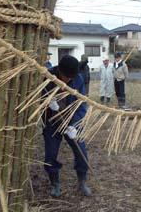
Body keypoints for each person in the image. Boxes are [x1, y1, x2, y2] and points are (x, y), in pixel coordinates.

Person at [42, 55, 91, 197]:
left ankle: (82, 181)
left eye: (71, 78)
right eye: (66, 77)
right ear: (59, 71)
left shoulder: (78, 79)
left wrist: (74, 125)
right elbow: (38, 97)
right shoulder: (48, 77)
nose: (68, 80)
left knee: (81, 150)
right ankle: (54, 183)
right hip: (52, 123)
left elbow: (82, 104)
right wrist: (47, 105)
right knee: (50, 155)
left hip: (71, 122)